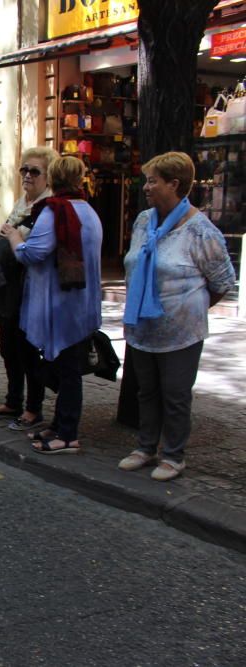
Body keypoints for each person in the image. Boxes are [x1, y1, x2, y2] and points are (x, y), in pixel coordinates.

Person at [117, 151, 235, 481]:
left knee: (176, 395)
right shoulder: (143, 220)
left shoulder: (200, 231)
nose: (146, 187)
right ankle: (145, 447)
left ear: (174, 184)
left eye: (153, 181)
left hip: (181, 332)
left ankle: (173, 456)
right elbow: (134, 264)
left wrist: (190, 308)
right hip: (143, 327)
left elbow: (223, 281)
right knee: (147, 392)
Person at [1, 156, 102, 454]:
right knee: (66, 366)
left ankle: (67, 433)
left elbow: (31, 253)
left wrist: (14, 237)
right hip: (80, 301)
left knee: (66, 370)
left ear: (53, 179)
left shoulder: (55, 211)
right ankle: (59, 425)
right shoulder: (88, 212)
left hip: (60, 303)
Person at [0, 147, 56, 431]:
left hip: (31, 288)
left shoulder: (49, 207)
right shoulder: (23, 203)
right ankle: (13, 401)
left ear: (48, 177)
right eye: (24, 169)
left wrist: (12, 235)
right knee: (8, 348)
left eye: (34, 171)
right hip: (9, 288)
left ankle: (34, 409)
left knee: (27, 349)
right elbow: (10, 233)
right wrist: (11, 235)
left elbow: (31, 247)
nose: (27, 176)